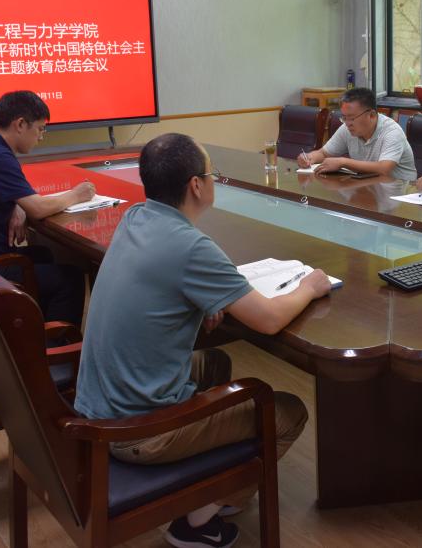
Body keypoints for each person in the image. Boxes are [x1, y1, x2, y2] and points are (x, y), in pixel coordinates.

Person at [74, 133, 332, 548]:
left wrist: (200, 300)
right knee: (286, 412)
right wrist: (309, 287)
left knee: (215, 365)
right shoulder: (191, 247)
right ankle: (194, 521)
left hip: (99, 404)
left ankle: (207, 479)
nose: (215, 181)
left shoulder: (136, 217)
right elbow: (268, 320)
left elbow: (161, 284)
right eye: (213, 175)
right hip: (139, 431)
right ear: (196, 185)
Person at [0, 90, 95, 325]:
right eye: (40, 129)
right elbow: (38, 208)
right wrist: (77, 194)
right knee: (70, 279)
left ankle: (33, 332)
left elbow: (23, 199)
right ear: (21, 124)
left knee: (43, 254)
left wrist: (18, 204)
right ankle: (55, 345)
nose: (41, 137)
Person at [297, 87, 417, 181]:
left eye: (352, 118)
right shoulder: (347, 128)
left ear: (371, 115)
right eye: (344, 117)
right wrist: (309, 157)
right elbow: (324, 153)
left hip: (401, 192)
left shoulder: (392, 132)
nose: (347, 123)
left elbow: (384, 168)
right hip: (368, 185)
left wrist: (343, 162)